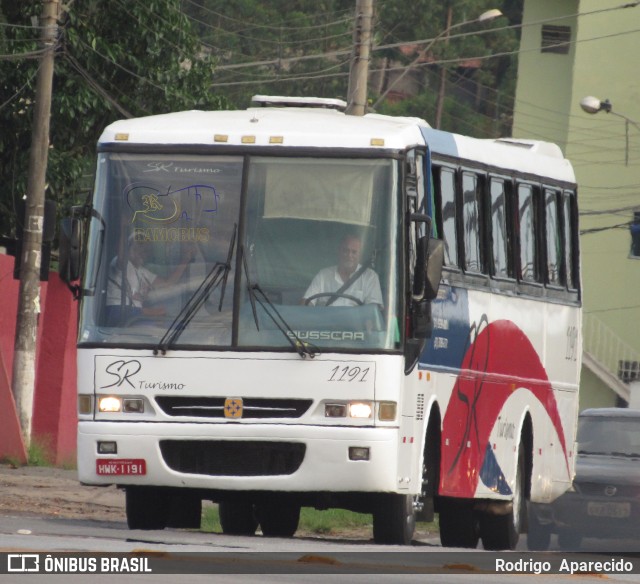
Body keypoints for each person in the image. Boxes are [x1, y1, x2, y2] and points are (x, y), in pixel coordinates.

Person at [106, 238, 194, 324]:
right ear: (128, 249)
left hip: (135, 317)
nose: (142, 252)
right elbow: (122, 256)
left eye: (145, 250)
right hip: (120, 312)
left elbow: (168, 283)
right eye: (137, 248)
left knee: (170, 325)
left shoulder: (143, 272)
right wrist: (123, 226)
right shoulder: (121, 264)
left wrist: (185, 260)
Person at [302, 233, 383, 307]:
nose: (349, 255)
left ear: (360, 255)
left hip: (356, 323)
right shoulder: (323, 275)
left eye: (354, 252)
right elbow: (306, 302)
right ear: (339, 251)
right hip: (325, 322)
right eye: (346, 251)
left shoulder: (370, 277)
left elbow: (373, 310)